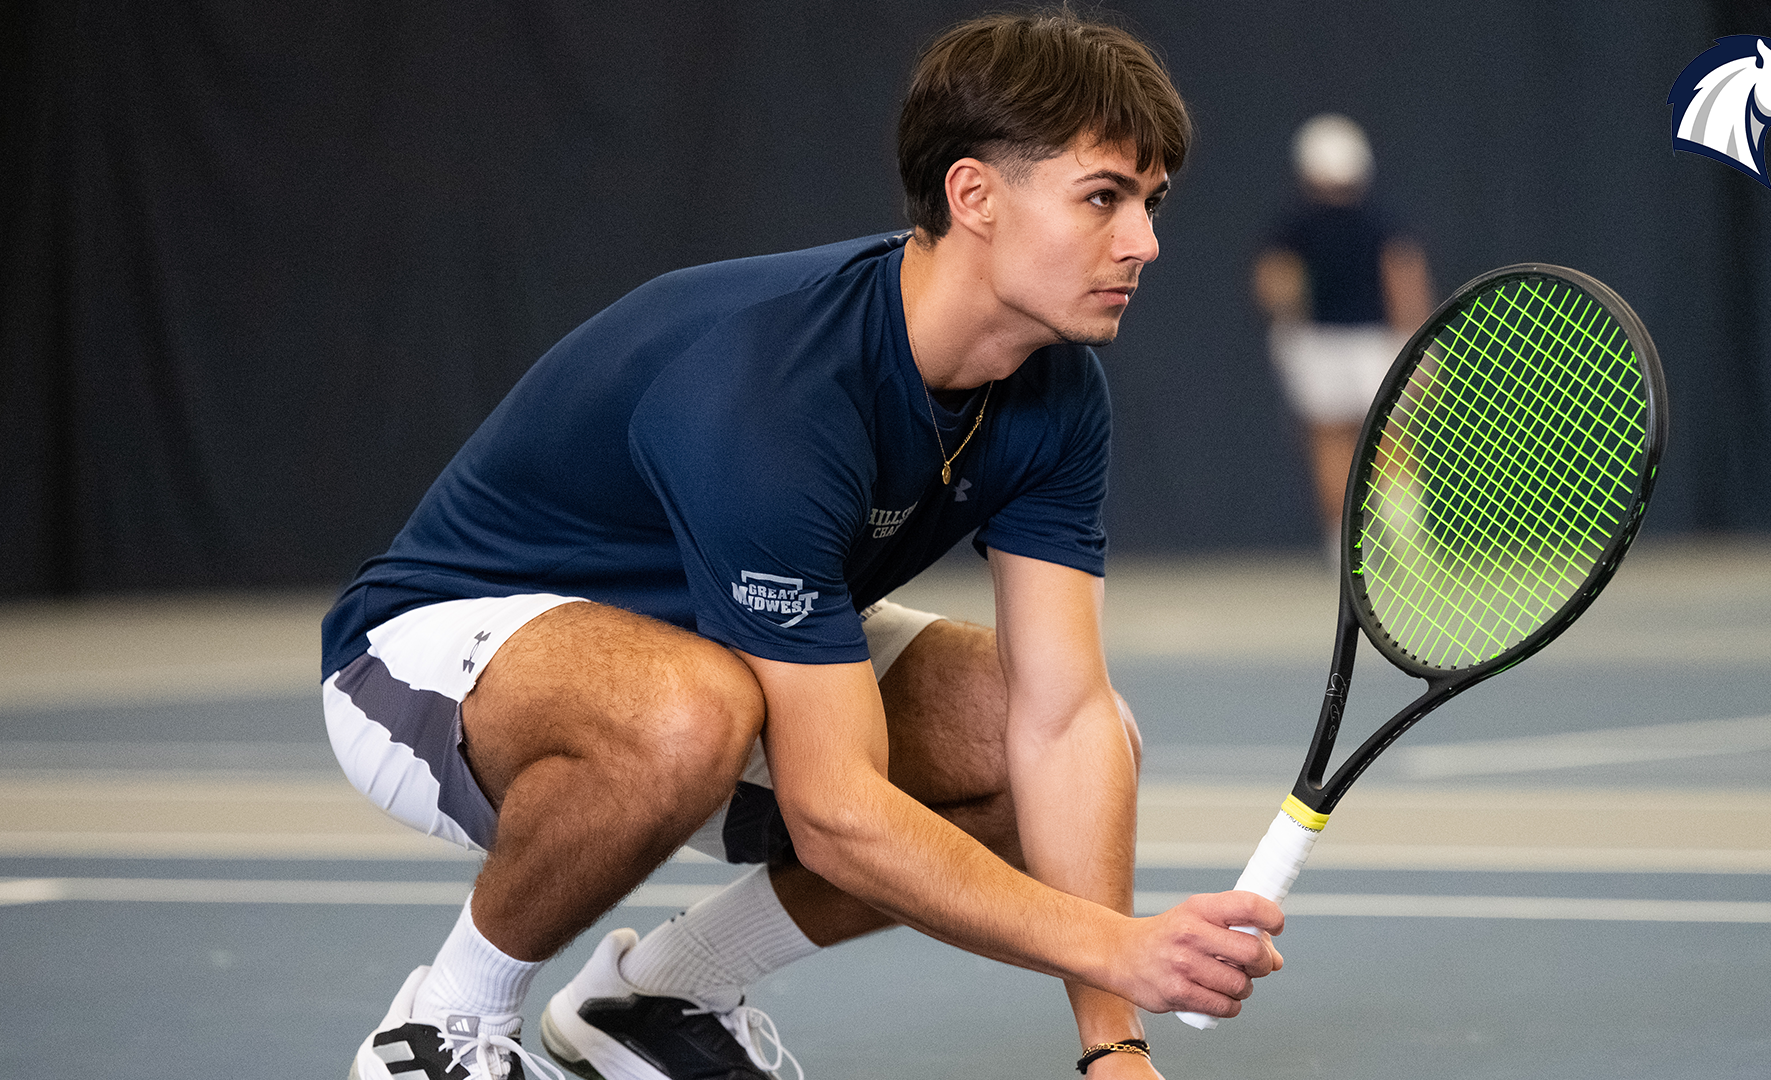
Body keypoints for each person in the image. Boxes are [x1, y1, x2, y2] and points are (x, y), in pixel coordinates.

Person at [322, 11, 1284, 1080]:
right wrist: (1116, 942)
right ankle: (442, 1026)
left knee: (1024, 732)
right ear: (973, 196)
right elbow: (832, 812)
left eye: (1151, 204)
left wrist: (1113, 1042)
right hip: (429, 663)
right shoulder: (775, 388)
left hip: (712, 641)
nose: (1144, 242)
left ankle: (655, 1002)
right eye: (1103, 197)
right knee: (690, 709)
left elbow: (1060, 722)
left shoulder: (1057, 391)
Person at [1253, 113, 1432, 559]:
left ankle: (1344, 552)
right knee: (1390, 441)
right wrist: (1417, 342)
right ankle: (1407, 550)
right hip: (1373, 347)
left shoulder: (1295, 227)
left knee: (1332, 445)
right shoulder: (1380, 221)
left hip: (1322, 348)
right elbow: (1404, 279)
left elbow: (1273, 284)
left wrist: (1285, 322)